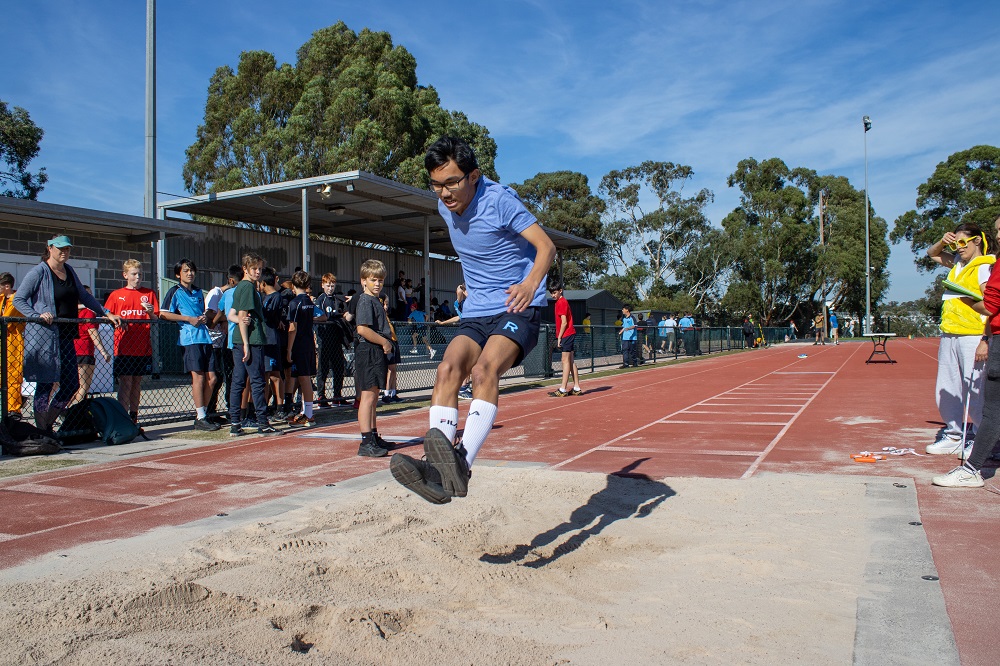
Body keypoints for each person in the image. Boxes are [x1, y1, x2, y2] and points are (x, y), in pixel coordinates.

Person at [389, 136, 556, 504]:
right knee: (447, 369)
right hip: (478, 309)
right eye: (436, 184)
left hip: (516, 306)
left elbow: (547, 246)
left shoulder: (499, 201)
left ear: (474, 176)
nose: (444, 192)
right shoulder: (443, 206)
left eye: (452, 182)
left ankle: (462, 464)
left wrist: (530, 284)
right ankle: (437, 469)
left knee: (482, 372)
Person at [14, 235, 122, 431]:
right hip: (44, 338)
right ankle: (42, 430)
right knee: (45, 385)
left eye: (68, 249)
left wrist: (106, 313)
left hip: (66, 335)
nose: (64, 252)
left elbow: (85, 296)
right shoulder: (39, 272)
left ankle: (47, 424)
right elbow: (19, 300)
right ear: (50, 248)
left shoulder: (70, 271)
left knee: (72, 383)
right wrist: (37, 315)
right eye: (60, 248)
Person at [934, 216, 1000, 487]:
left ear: (976, 241)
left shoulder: (985, 266)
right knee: (949, 385)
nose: (958, 246)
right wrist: (943, 241)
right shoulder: (958, 263)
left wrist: (984, 336)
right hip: (952, 331)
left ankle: (975, 443)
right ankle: (955, 435)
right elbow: (933, 254)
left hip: (975, 333)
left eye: (962, 242)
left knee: (983, 396)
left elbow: (990, 304)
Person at [159, 259, 219, 431]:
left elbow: (204, 312)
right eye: (186, 271)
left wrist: (205, 316)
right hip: (189, 339)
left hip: (205, 338)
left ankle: (203, 414)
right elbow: (164, 314)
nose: (190, 273)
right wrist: (188, 319)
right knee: (198, 377)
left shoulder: (199, 292)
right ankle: (201, 416)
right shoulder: (175, 292)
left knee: (212, 379)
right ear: (178, 274)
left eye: (192, 270)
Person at [104, 259, 158, 424]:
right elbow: (106, 314)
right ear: (125, 275)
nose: (137, 278)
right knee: (125, 382)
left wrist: (150, 313)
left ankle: (133, 416)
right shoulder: (116, 295)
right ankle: (122, 416)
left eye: (140, 274)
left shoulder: (148, 294)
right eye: (134, 274)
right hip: (124, 346)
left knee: (137, 381)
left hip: (142, 346)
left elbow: (155, 319)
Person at [228, 253, 276, 436]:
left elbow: (233, 314)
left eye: (260, 269)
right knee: (257, 381)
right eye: (254, 268)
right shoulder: (247, 287)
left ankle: (235, 423)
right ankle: (263, 423)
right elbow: (240, 314)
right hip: (251, 341)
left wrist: (241, 320)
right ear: (245, 269)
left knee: (238, 382)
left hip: (240, 340)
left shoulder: (241, 286)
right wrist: (247, 344)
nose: (258, 272)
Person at [353, 259, 393, 457]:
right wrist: (384, 342)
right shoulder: (365, 300)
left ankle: (374, 435)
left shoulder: (375, 301)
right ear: (363, 281)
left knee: (374, 397)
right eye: (373, 280)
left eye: (380, 280)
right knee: (367, 398)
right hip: (368, 351)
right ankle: (365, 441)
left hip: (375, 352)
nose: (377, 284)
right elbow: (362, 329)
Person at [285, 271, 324, 427]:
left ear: (293, 285)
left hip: (299, 344)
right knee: (304, 378)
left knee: (303, 379)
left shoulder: (295, 303)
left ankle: (308, 415)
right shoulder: (308, 301)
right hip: (308, 343)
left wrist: (288, 349)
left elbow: (292, 328)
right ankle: (306, 412)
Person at [204, 265, 242, 422]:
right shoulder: (216, 293)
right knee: (214, 378)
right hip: (212, 342)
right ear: (231, 281)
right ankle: (207, 412)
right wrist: (225, 317)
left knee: (222, 377)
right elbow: (211, 316)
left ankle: (216, 411)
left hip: (224, 342)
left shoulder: (232, 294)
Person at [71, 285, 112, 407]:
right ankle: (72, 413)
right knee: (84, 387)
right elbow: (92, 332)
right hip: (85, 351)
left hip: (72, 350)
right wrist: (103, 351)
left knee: (74, 387)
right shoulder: (88, 312)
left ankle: (66, 410)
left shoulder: (73, 312)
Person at [314, 273, 349, 407]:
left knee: (339, 367)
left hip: (336, 339)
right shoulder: (321, 300)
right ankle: (321, 396)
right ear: (323, 285)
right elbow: (319, 317)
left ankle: (337, 394)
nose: (330, 288)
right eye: (328, 285)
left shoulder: (337, 299)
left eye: (332, 285)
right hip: (324, 338)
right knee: (323, 369)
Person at [548, 282, 582, 397]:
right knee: (571, 361)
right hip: (569, 334)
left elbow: (564, 322)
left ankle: (563, 389)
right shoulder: (560, 302)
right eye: (551, 293)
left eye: (554, 292)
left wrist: (559, 337)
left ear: (560, 291)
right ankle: (576, 387)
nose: (553, 295)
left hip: (567, 334)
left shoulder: (561, 302)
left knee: (565, 360)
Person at [0, 272, 26, 415]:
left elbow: (6, 320)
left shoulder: (16, 300)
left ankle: (14, 408)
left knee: (13, 375)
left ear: (7, 286)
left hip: (13, 341)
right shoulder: (1, 299)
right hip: (3, 340)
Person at [379, 293, 403, 404]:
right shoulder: (380, 316)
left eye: (387, 304)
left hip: (393, 342)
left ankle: (393, 392)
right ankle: (386, 393)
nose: (386, 307)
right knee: (389, 369)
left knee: (393, 369)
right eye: (384, 304)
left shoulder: (386, 316)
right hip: (387, 342)